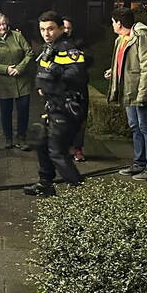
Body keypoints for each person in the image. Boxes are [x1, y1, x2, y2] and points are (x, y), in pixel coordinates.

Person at [24, 11, 86, 197]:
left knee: (57, 152)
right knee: (41, 143)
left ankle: (80, 194)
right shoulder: (49, 48)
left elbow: (78, 75)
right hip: (52, 104)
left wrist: (54, 76)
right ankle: (45, 183)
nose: (46, 33)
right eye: (42, 29)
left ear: (60, 28)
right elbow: (42, 72)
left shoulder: (68, 48)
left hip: (66, 107)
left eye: (50, 29)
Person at [105, 8, 147, 181]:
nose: (112, 25)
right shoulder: (121, 39)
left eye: (113, 22)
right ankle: (139, 163)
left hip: (139, 91)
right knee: (135, 127)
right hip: (128, 91)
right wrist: (113, 71)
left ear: (119, 23)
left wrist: (144, 94)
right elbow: (126, 64)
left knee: (145, 127)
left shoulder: (142, 37)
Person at [0, 12, 34, 150]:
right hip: (3, 83)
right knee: (6, 112)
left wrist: (20, 68)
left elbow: (29, 52)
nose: (3, 27)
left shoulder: (17, 36)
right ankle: (8, 138)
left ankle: (21, 138)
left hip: (22, 81)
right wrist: (5, 69)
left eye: (4, 23)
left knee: (23, 111)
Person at [62, 16, 90, 163]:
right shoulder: (55, 45)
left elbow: (89, 60)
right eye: (64, 27)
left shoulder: (80, 43)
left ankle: (78, 149)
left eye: (69, 28)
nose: (66, 30)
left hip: (79, 88)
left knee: (80, 119)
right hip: (62, 88)